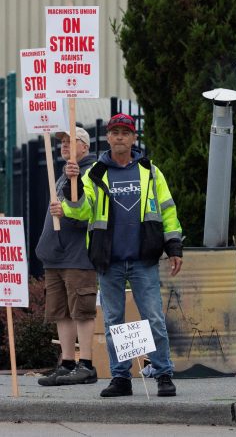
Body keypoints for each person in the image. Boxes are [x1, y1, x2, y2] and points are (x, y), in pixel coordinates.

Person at [54, 113, 183, 398]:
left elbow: (167, 210)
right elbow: (81, 211)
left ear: (134, 138)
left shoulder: (150, 171)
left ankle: (163, 373)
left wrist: (174, 246)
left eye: (126, 132)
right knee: (114, 322)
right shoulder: (95, 173)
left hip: (143, 258)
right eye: (115, 132)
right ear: (108, 138)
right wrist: (74, 187)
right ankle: (121, 378)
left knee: (154, 319)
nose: (120, 137)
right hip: (108, 259)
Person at [36, 127, 98, 386]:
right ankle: (68, 363)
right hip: (56, 256)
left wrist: (68, 209)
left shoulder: (91, 173)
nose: (64, 145)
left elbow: (90, 211)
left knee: (81, 311)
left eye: (71, 141)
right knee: (61, 311)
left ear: (85, 146)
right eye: (62, 141)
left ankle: (86, 365)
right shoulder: (63, 175)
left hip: (77, 255)